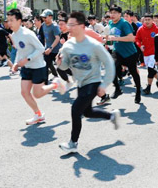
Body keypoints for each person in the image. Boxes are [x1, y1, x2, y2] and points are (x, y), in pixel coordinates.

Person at [45, 12, 120, 153]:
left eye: (72, 25)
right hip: (80, 83)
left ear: (81, 26)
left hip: (93, 82)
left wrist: (104, 85)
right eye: (69, 25)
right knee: (88, 112)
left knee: (75, 110)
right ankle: (111, 116)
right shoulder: (67, 46)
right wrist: (59, 63)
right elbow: (64, 67)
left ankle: (73, 143)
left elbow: (109, 63)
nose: (69, 28)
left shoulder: (93, 45)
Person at [7, 8, 53, 126]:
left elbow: (41, 48)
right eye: (8, 20)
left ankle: (56, 84)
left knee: (37, 94)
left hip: (38, 66)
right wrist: (16, 63)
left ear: (19, 21)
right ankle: (38, 114)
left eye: (12, 20)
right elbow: (20, 51)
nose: (9, 23)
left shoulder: (27, 34)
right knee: (24, 92)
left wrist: (28, 59)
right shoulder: (14, 35)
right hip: (26, 67)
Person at [107, 5, 142, 104]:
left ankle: (138, 91)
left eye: (115, 13)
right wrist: (106, 40)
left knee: (134, 72)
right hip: (117, 51)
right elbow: (111, 36)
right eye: (111, 13)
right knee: (111, 68)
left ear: (119, 14)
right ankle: (117, 89)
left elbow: (132, 38)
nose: (112, 15)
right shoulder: (110, 23)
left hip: (130, 53)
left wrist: (116, 38)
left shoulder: (124, 23)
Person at [135, 13, 158, 95]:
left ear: (152, 20)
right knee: (152, 70)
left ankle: (148, 87)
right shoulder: (140, 29)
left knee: (150, 69)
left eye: (149, 20)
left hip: (154, 53)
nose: (147, 21)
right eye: (146, 20)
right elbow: (137, 39)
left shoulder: (157, 29)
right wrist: (140, 45)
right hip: (145, 53)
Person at [40, 9, 62, 81]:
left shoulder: (54, 26)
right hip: (47, 49)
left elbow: (57, 38)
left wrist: (51, 48)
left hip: (55, 50)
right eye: (43, 17)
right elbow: (45, 37)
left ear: (50, 17)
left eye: (45, 17)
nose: (43, 19)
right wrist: (45, 47)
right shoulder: (43, 25)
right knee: (46, 65)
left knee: (62, 68)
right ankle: (45, 82)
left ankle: (70, 76)